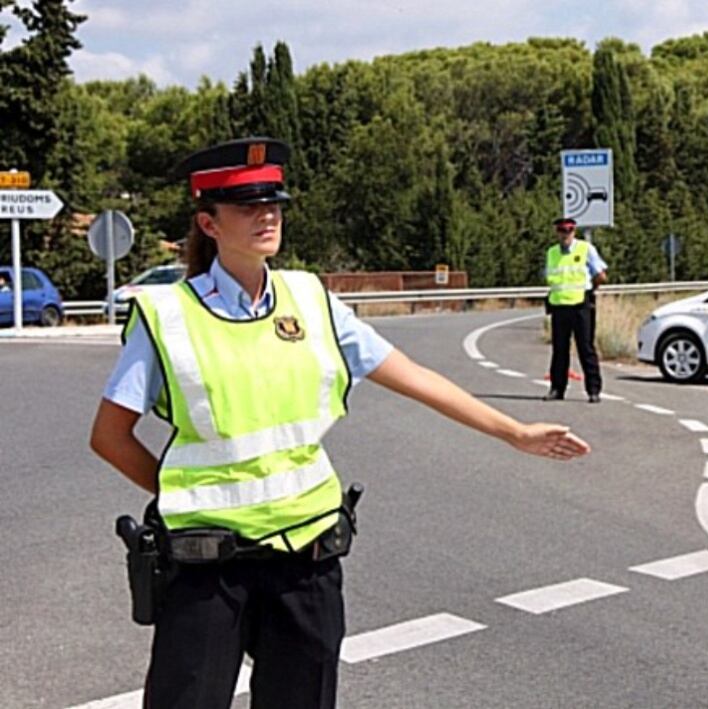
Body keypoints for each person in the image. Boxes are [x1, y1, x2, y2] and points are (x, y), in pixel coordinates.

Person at [89, 137, 590, 709]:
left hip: (306, 559)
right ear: (209, 222)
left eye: (273, 202)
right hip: (208, 567)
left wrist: (514, 432)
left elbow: (414, 376)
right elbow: (108, 436)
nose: (267, 215)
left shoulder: (311, 299)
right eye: (248, 205)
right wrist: (182, 493)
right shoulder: (167, 316)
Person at [543, 216, 607, 403]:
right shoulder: (552, 252)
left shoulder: (585, 249)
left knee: (586, 348)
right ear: (557, 232)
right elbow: (551, 278)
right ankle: (557, 389)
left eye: (569, 230)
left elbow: (601, 275)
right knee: (559, 350)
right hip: (559, 306)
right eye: (562, 230)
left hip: (581, 305)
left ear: (574, 231)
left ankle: (593, 390)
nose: (565, 234)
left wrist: (590, 290)